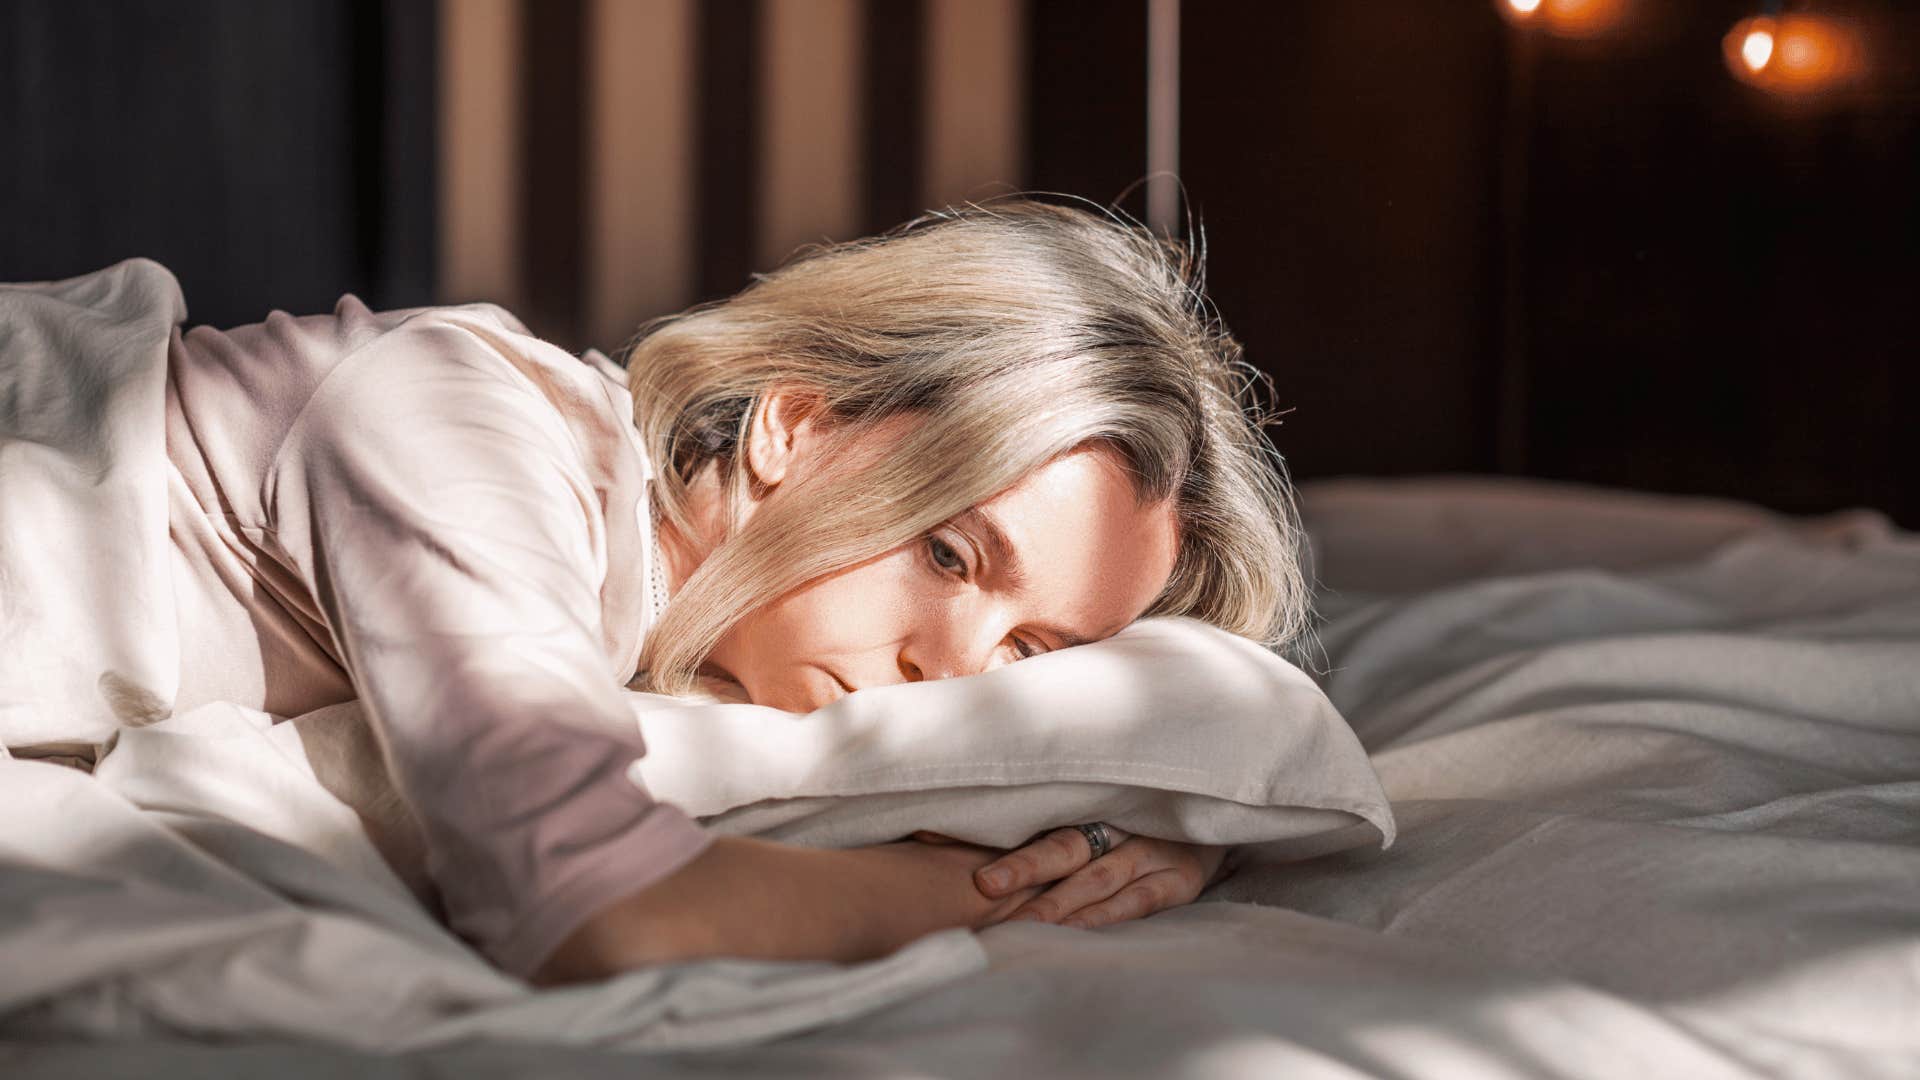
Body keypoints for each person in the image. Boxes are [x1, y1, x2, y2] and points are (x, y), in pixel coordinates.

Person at [5, 196, 1314, 986]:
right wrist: (1026, 881)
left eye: (1034, 651)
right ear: (791, 426)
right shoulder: (461, 423)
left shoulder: (665, 644)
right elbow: (599, 916)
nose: (959, 671)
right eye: (950, 552)